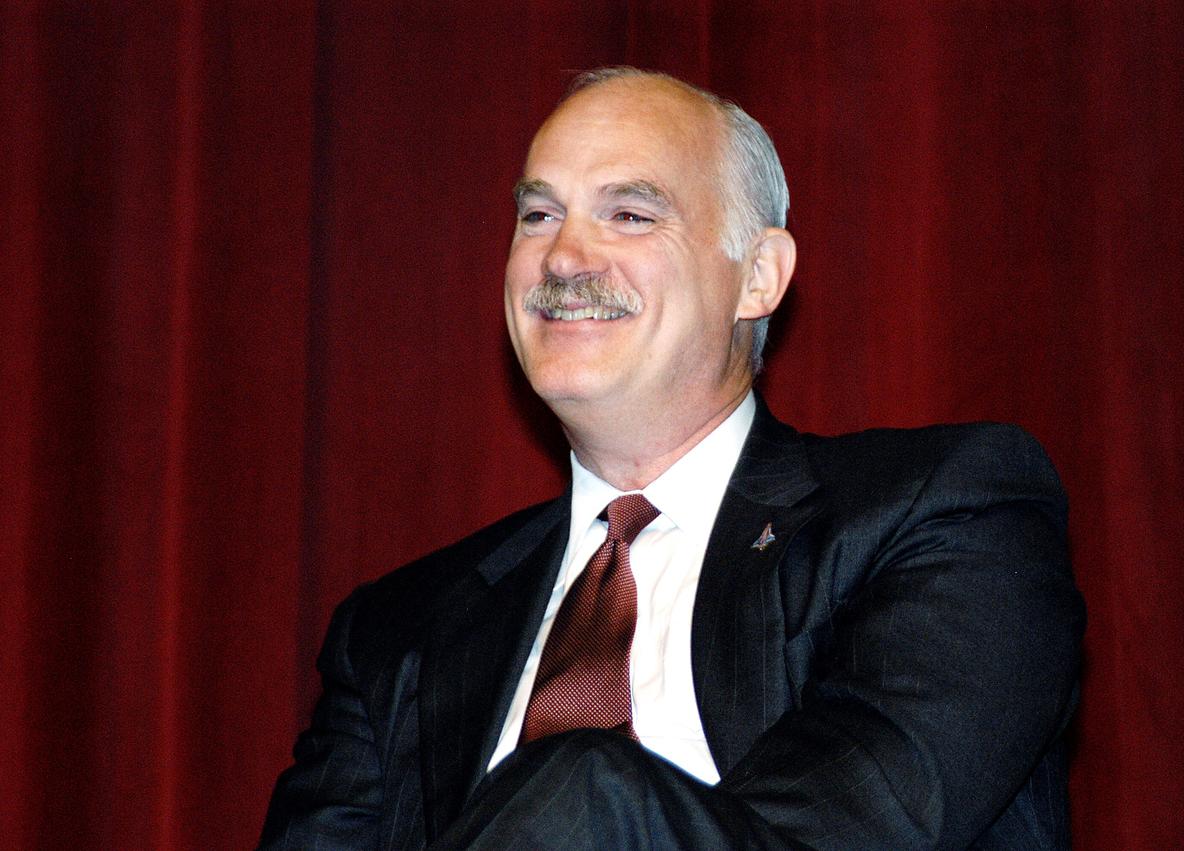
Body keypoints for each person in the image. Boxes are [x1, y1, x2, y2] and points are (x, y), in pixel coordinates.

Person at [260, 67, 1084, 850]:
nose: (563, 257)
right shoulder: (399, 630)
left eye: (629, 214)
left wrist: (587, 797)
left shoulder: (947, 510)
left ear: (757, 277)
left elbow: (848, 825)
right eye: (538, 215)